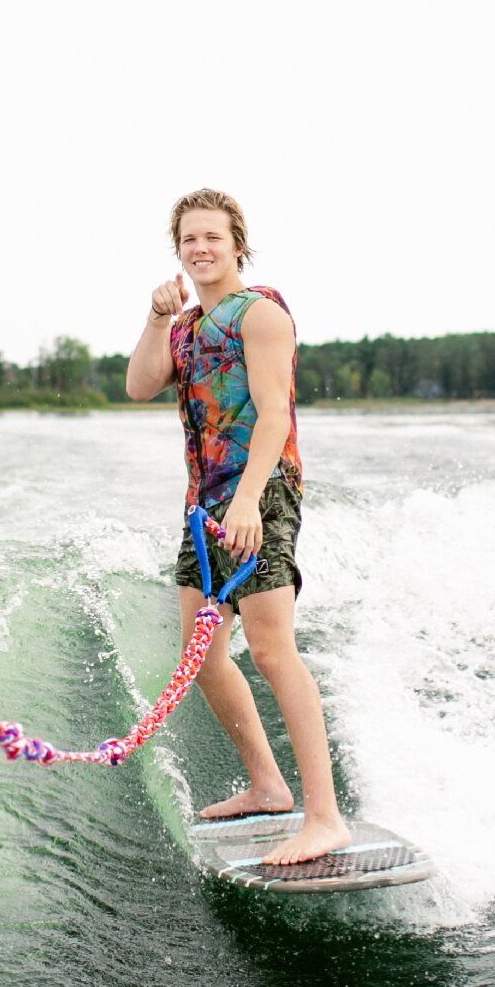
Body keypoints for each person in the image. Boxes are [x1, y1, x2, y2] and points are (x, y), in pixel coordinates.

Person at [124, 188, 353, 866]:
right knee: (204, 657)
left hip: (262, 493)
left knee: (273, 650)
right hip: (204, 509)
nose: (200, 248)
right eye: (189, 238)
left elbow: (274, 414)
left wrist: (251, 499)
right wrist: (154, 316)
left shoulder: (261, 315)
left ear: (237, 244)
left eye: (213, 237)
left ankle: (325, 817)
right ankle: (266, 784)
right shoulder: (188, 327)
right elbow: (140, 384)